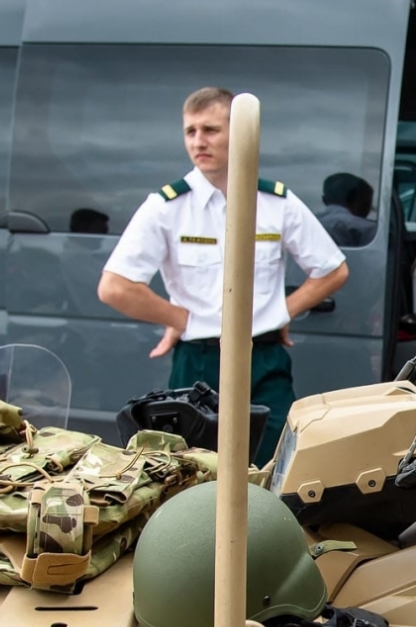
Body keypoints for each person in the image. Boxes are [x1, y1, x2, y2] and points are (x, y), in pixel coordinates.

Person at [98, 87, 349, 460]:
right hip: (198, 360)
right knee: (193, 469)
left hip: (262, 358)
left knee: (276, 465)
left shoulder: (276, 202)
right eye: (190, 131)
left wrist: (278, 312)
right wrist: (179, 317)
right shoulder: (167, 206)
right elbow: (115, 287)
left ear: (240, 133)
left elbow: (332, 270)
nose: (198, 141)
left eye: (211, 130)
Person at [317, 173, 377, 247]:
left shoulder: (308, 222)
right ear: (354, 200)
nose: (369, 211)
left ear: (324, 200)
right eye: (368, 205)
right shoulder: (369, 230)